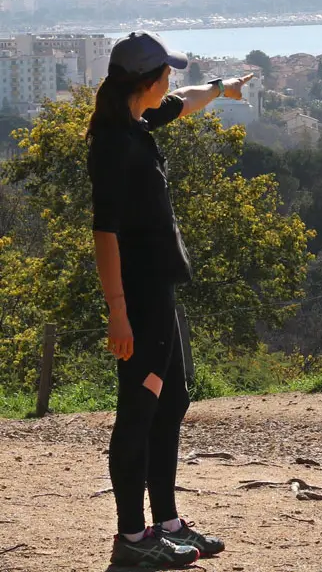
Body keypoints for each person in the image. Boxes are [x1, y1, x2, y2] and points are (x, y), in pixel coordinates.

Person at [88, 31, 254, 568]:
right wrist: (117, 309)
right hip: (136, 297)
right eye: (167, 74)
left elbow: (185, 104)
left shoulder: (137, 121)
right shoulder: (114, 142)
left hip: (159, 290)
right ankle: (132, 541)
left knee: (172, 401)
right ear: (146, 80)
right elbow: (105, 232)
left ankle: (166, 522)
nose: (172, 81)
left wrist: (224, 88)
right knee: (137, 411)